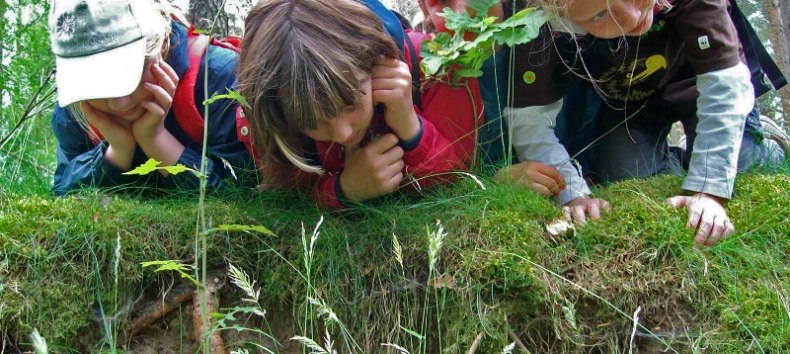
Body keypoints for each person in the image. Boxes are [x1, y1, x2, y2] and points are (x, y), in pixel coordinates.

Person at [507, 0, 787, 246]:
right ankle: (685, 157)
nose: (630, 16)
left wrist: (707, 189)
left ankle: (771, 147)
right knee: (626, 174)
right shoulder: (539, 22)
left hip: (706, 85)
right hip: (633, 102)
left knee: (742, 165)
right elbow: (530, 118)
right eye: (599, 15)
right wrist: (572, 194)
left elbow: (724, 86)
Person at [236, 0, 483, 209]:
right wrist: (343, 189)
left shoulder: (436, 64)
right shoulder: (267, 106)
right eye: (311, 121)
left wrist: (410, 126)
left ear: (375, 60)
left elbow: (462, 178)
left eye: (348, 104)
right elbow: (285, 196)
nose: (342, 133)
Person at [418, 0, 611, 223]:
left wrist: (577, 186)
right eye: (442, 2)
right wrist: (496, 179)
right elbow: (443, 170)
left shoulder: (552, 31)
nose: (463, 11)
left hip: (594, 159)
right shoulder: (434, 78)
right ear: (424, 8)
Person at [50, 0, 254, 195]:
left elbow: (249, 195)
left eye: (130, 76)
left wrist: (156, 140)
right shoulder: (73, 110)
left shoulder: (218, 81)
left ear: (162, 44)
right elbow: (62, 193)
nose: (120, 103)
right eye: (97, 86)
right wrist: (117, 151)